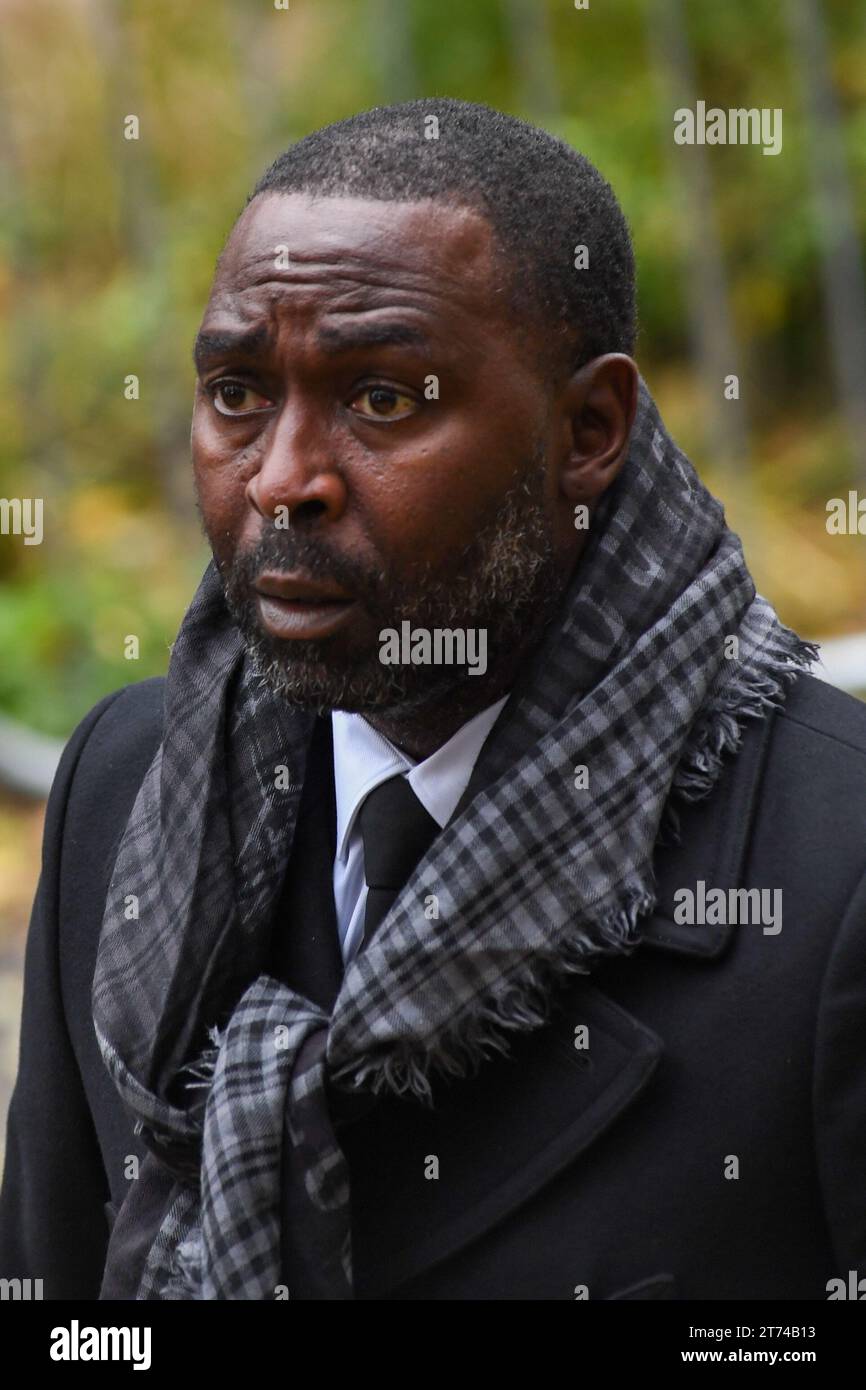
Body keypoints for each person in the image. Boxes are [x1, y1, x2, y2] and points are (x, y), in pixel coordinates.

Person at [2, 98, 865, 1301]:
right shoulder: (126, 790)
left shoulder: (831, 872)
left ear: (588, 431)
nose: (286, 480)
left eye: (384, 400)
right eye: (239, 394)